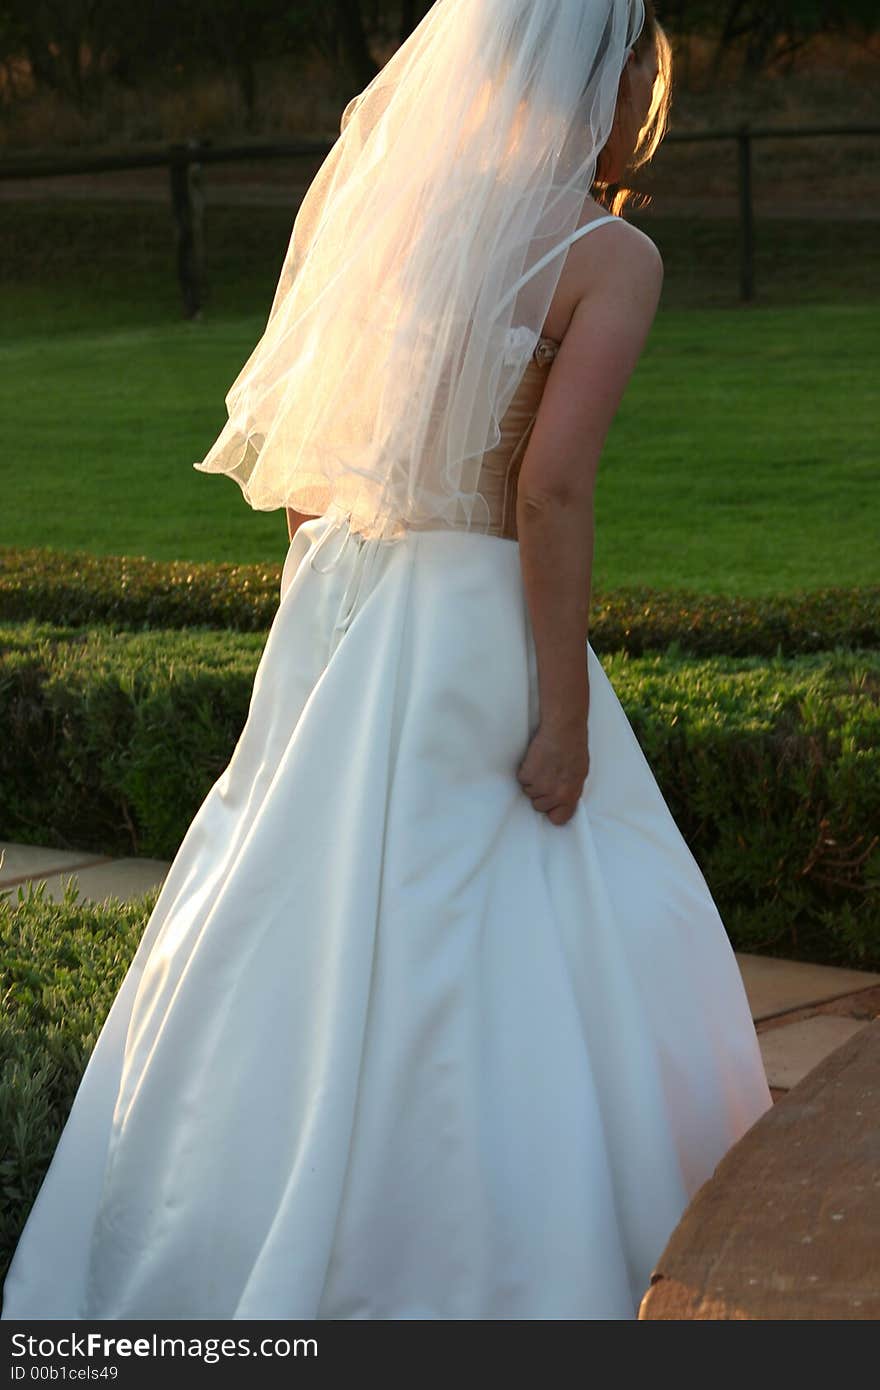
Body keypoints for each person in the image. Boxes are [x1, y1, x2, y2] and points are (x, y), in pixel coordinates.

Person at [1, 0, 772, 1322]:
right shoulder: (607, 257)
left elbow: (312, 467)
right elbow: (550, 496)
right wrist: (563, 711)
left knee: (297, 922)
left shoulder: (390, 218)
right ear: (617, 74)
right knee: (527, 923)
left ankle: (234, 1238)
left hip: (354, 603)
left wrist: (334, 625)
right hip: (479, 619)